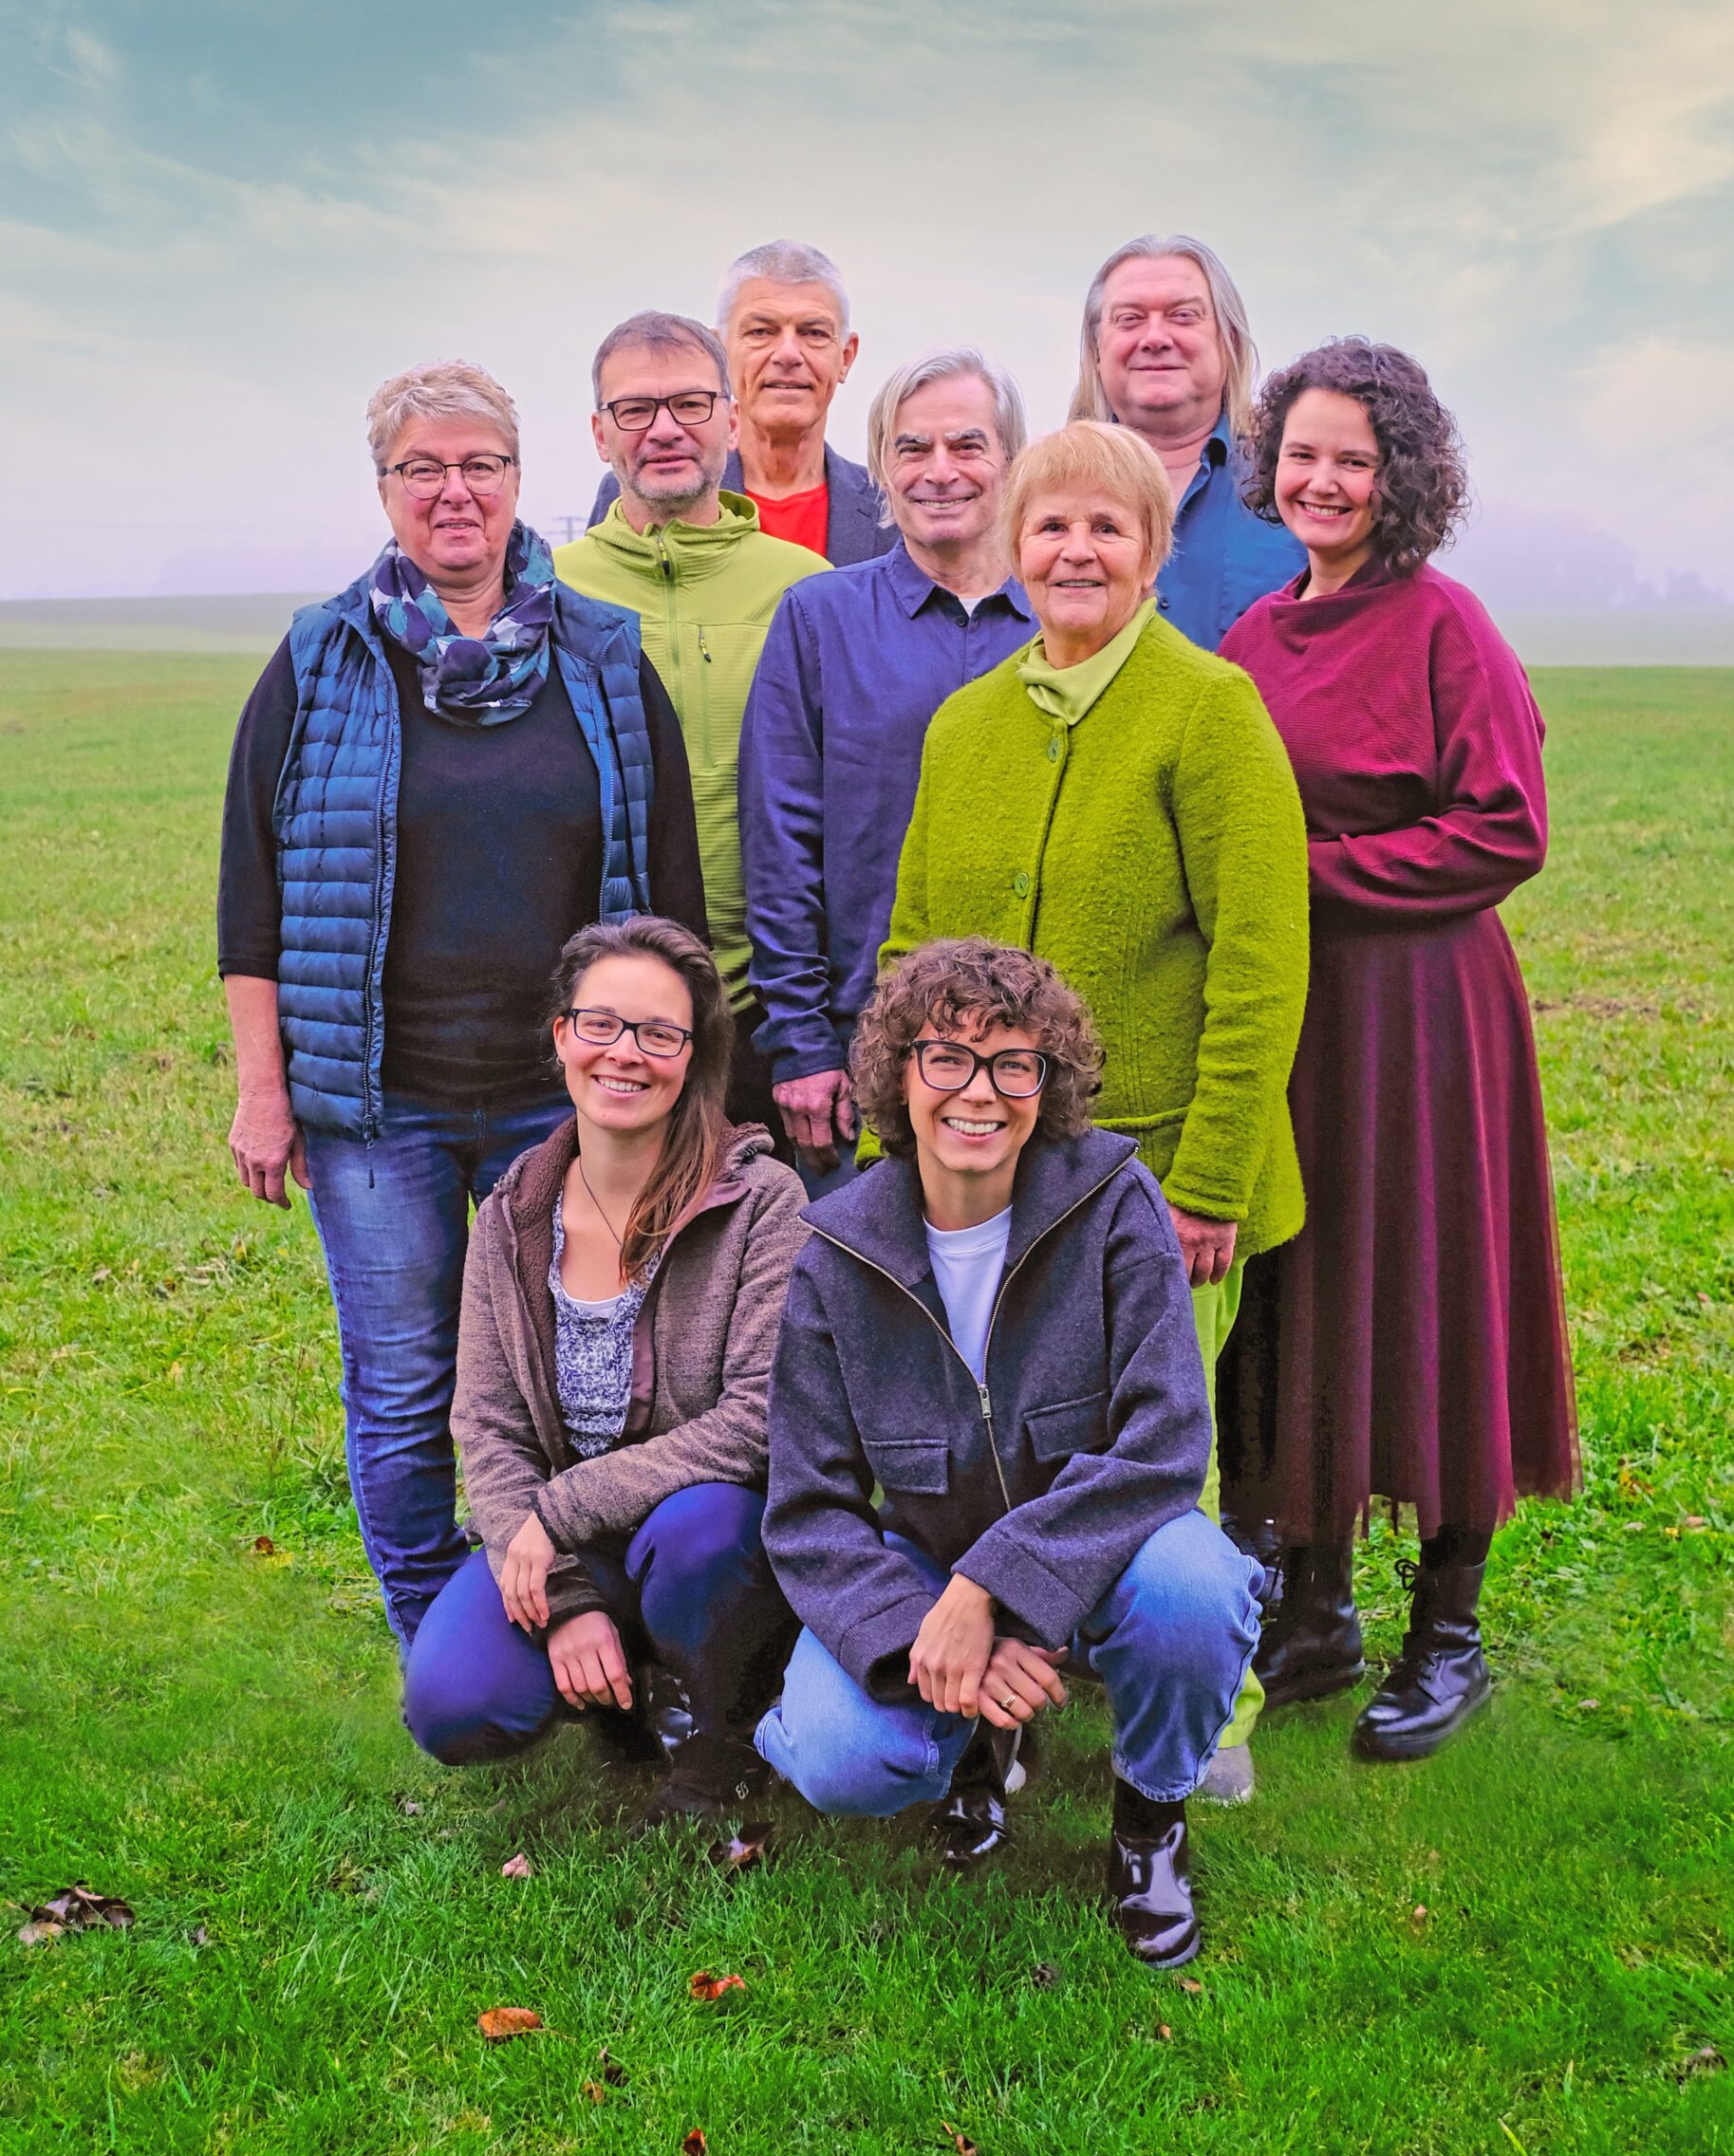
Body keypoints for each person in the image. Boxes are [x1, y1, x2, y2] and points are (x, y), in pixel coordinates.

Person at [218, 362, 706, 1652]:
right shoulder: (322, 658)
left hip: (573, 1102)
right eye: (421, 468)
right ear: (384, 489)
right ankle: (445, 1644)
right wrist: (265, 1091)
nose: (453, 491)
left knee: (599, 1378)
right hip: (381, 1107)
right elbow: (250, 895)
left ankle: (613, 1629)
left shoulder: (602, 655)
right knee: (403, 1385)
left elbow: (669, 890)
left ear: (518, 479)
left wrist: (678, 1084)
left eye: (479, 465)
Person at [880, 420, 1309, 1801]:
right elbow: (911, 948)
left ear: (1152, 551)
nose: (1074, 551)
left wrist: (1214, 1178)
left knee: (1158, 1454)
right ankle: (1004, 1685)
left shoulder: (1208, 708)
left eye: (1105, 528)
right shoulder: (968, 723)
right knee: (995, 1435)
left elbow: (1259, 960)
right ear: (1013, 547)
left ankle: (1205, 1720)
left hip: (1159, 1170)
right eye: (1050, 526)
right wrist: (906, 1148)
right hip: (983, 1169)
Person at [757, 939, 1264, 1966]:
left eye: (1013, 1064)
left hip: (1104, 1550)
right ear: (899, 1075)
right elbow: (807, 1509)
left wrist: (994, 1590)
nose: (978, 1092)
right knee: (841, 1758)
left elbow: (1165, 1438)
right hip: (927, 1566)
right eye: (946, 1057)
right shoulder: (835, 1255)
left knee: (1197, 1589)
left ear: (1049, 1081)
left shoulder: (1115, 1201)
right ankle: (970, 1749)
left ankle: (1148, 1823)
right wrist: (933, 1630)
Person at [1217, 339, 1579, 1759]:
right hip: (1296, 1020)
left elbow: (1505, 828)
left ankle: (1448, 1633)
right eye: (1301, 454)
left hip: (1424, 1013)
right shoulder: (1253, 637)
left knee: (1432, 1289)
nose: (1321, 480)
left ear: (1402, 476)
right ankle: (1313, 1611)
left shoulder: (1446, 626)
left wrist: (1307, 875)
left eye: (1352, 461)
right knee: (1302, 1288)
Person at [402, 917, 808, 1820]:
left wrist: (559, 1511)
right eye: (601, 1025)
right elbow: (487, 1423)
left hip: (710, 1531)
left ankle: (727, 1730)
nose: (626, 1053)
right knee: (452, 1705)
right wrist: (563, 1592)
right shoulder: (513, 1212)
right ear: (562, 1036)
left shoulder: (760, 1202)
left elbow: (757, 1421)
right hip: (568, 1542)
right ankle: (621, 1698)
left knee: (703, 1537)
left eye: (660, 1034)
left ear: (693, 1057)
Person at [739, 349, 1035, 1186]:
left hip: (1036, 1049)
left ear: (1012, 460)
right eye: (912, 448)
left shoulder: (1065, 624)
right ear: (880, 467)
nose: (939, 471)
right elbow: (779, 841)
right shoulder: (819, 619)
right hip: (862, 1051)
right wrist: (801, 1043)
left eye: (967, 445)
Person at [557, 312, 829, 1145]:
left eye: (690, 404)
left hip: (775, 1010)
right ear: (599, 434)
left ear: (732, 421)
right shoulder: (549, 597)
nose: (665, 429)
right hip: (609, 1018)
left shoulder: (809, 589)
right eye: (635, 409)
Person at [586, 241, 894, 565]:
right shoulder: (638, 489)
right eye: (761, 331)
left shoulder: (891, 507)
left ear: (846, 356)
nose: (788, 354)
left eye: (814, 333)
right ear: (720, 354)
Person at [1069, 233, 1301, 648]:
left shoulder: (1296, 486)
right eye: (1130, 318)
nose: (1155, 338)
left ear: (1229, 340)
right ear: (1096, 346)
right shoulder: (1045, 495)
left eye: (1183, 316)